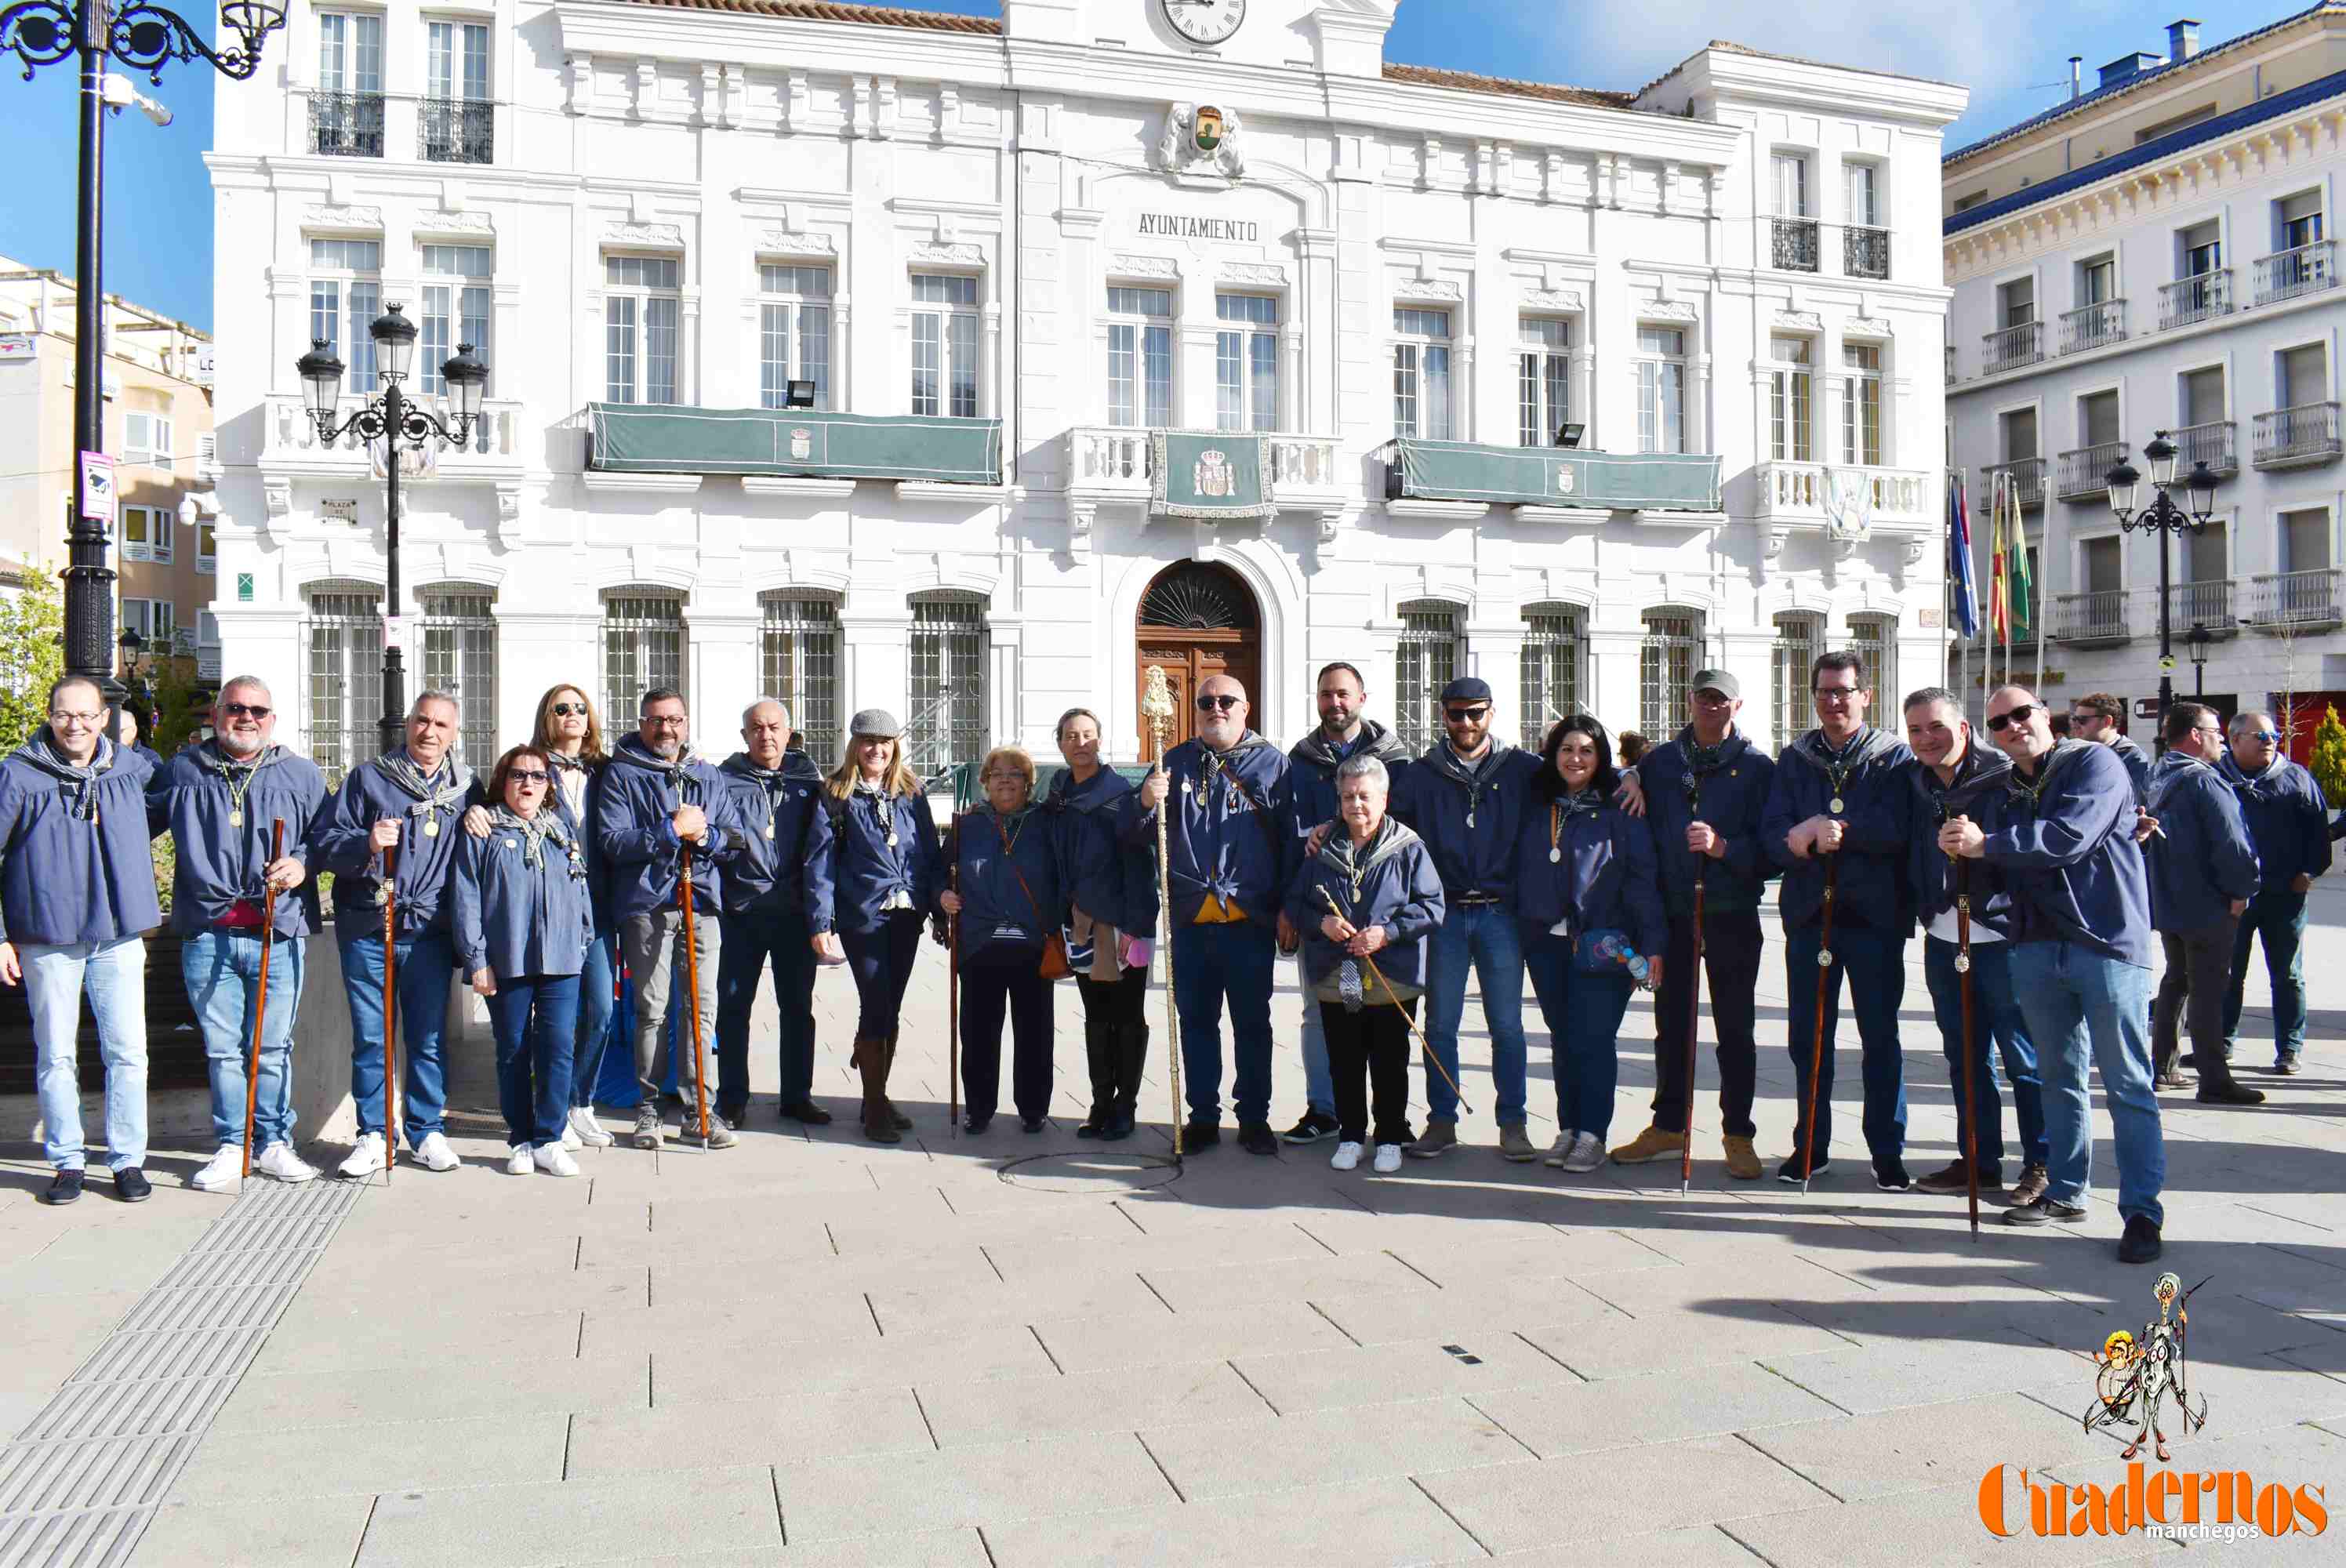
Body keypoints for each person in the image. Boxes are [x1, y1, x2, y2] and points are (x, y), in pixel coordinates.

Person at [1941, 685, 2166, 1264]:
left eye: (2022, 714)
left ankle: (2142, 1213)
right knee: (2057, 1080)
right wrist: (1955, 850)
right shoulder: (2006, 788)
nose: (2013, 726)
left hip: (2106, 943)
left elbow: (2069, 837)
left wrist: (1986, 843)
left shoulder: (2096, 762)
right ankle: (2066, 1192)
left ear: (2047, 716)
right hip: (2037, 947)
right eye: (1999, 723)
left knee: (2128, 1085)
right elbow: (1980, 856)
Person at [148, 679, 327, 1192]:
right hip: (208, 937)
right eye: (235, 708)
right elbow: (131, 823)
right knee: (224, 1050)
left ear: (271, 719)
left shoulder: (299, 773)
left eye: (258, 710)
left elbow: (328, 836)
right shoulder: (184, 770)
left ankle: (273, 1144)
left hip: (279, 934)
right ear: (217, 713)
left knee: (272, 1049)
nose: (246, 717)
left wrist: (302, 862)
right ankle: (233, 1145)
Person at [1607, 670, 1774, 1179]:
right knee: (1671, 1026)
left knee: (1735, 1029)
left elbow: (1773, 850)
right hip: (1675, 914)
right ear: (1690, 700)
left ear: (1736, 706)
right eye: (1704, 697)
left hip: (1732, 912)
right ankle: (1670, 1124)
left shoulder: (1758, 768)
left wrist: (1726, 849)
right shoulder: (1660, 763)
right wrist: (1628, 776)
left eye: (1721, 700)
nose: (1711, 707)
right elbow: (1618, 789)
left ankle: (1738, 1132)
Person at [0, 677, 161, 1205]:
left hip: (116, 936)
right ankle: (67, 1161)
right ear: (50, 716)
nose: (77, 725)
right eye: (66, 715)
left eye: (88, 715)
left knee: (129, 1053)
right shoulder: (19, 775)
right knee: (56, 1055)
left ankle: (127, 1161)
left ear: (103, 718)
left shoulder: (130, 768)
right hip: (48, 937)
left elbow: (176, 797)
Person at [1761, 650, 1915, 1189]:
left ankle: (1887, 1152)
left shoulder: (1894, 758)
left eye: (1843, 691)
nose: (1833, 702)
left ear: (1865, 696)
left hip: (1873, 918)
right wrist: (1800, 837)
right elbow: (1773, 830)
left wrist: (1841, 831)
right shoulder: (1795, 758)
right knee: (1809, 1039)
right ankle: (1811, 1146)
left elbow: (1901, 828)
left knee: (1880, 1038)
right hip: (1810, 917)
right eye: (1824, 692)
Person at [311, 691, 472, 1177]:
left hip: (428, 932)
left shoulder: (466, 787)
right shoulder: (369, 777)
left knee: (427, 1037)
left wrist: (483, 815)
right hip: (368, 927)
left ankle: (426, 1131)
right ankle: (375, 1134)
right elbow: (325, 843)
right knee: (372, 1037)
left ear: (455, 734)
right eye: (423, 721)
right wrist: (366, 842)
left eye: (442, 725)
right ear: (408, 724)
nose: (431, 732)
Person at [1132, 673, 1293, 1156]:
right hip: (1190, 922)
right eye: (1206, 702)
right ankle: (1202, 1115)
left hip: (1248, 921)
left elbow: (1294, 842)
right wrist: (1145, 801)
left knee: (1251, 1023)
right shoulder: (1173, 762)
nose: (1216, 708)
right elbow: (1135, 834)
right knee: (1196, 1023)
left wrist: (1288, 907)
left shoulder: (1273, 765)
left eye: (1227, 701)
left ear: (1246, 708)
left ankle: (1254, 1117)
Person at [1902, 686, 2049, 1207]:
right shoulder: (1913, 779)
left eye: (1937, 727)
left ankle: (2041, 1163)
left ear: (1964, 729)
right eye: (1916, 729)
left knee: (2023, 1058)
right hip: (1944, 937)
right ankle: (1980, 1159)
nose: (1927, 739)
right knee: (1965, 1057)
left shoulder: (2003, 776)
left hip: (2001, 936)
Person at [1389, 677, 1542, 1162]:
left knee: (1507, 1026)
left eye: (1476, 713)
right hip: (1446, 913)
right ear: (1443, 716)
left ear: (1492, 713)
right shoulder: (1420, 774)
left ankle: (1513, 1122)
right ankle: (1441, 1119)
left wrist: (1632, 777)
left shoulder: (1522, 769)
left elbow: (1580, 774)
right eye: (1457, 714)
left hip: (1501, 914)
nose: (1467, 723)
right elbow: (1387, 826)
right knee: (1440, 1025)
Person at [1515, 717, 1664, 1174]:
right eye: (1566, 750)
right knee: (1563, 1039)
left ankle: (1593, 1134)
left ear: (1600, 757)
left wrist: (1653, 944)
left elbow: (1642, 878)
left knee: (1594, 1040)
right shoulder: (1539, 801)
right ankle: (1568, 1127)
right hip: (1547, 942)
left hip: (1604, 943)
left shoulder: (1621, 804)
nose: (1575, 759)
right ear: (1552, 753)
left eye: (1586, 751)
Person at [596, 687, 740, 1150]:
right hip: (648, 906)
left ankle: (701, 1111)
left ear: (686, 723)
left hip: (700, 904)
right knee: (651, 1011)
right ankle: (649, 1111)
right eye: (657, 720)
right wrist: (669, 831)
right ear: (642, 724)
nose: (666, 729)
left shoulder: (706, 774)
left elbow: (732, 838)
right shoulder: (622, 773)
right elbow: (613, 842)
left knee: (702, 1011)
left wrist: (705, 836)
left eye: (674, 720)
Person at [1287, 753, 1444, 1173]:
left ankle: (1389, 1135)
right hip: (1340, 973)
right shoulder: (1322, 848)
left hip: (1391, 972)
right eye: (1348, 796)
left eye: (1365, 796)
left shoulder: (1408, 847)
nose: (1356, 805)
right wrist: (1321, 921)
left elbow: (1432, 906)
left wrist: (1387, 933)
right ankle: (1352, 1135)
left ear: (1384, 798)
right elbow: (1296, 903)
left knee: (1390, 1058)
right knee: (1345, 1056)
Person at [1280, 662, 1413, 1145]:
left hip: (1380, 913)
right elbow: (1284, 830)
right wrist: (1289, 908)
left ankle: (1391, 1122)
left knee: (1386, 1015)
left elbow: (1407, 826)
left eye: (1343, 694)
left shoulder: (1395, 759)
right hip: (1323, 913)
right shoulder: (1299, 759)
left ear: (1361, 697)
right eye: (1325, 694)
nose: (1334, 703)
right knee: (1320, 1011)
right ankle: (1326, 1109)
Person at [452, 745, 596, 1176]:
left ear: (548, 785)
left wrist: (584, 938)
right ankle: (520, 1139)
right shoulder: (484, 830)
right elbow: (467, 898)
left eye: (537, 776)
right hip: (508, 959)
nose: (528, 783)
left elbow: (580, 886)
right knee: (514, 1049)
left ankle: (550, 1138)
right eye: (518, 775)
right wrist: (477, 959)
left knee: (557, 1049)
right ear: (503, 781)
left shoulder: (559, 829)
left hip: (562, 960)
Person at [806, 710, 941, 1144]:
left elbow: (929, 852)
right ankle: (875, 1107)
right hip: (863, 914)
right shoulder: (834, 794)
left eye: (884, 742)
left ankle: (874, 1094)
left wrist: (937, 907)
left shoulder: (911, 791)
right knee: (876, 1000)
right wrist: (820, 919)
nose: (876, 750)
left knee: (890, 1005)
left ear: (895, 746)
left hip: (907, 915)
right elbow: (820, 861)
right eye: (868, 742)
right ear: (854, 746)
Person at [939, 746, 1069, 1133]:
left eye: (1015, 774)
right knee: (979, 1034)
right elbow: (938, 873)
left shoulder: (1045, 823)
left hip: (1033, 945)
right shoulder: (967, 826)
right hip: (980, 945)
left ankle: (1033, 1109)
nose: (1006, 780)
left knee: (1034, 1033)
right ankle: (978, 1109)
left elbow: (1063, 874)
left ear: (1029, 784)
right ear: (985, 783)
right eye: (997, 774)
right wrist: (941, 897)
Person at [2144, 702, 2263, 1105]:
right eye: (2215, 731)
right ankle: (2214, 1079)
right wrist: (2241, 891)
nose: (2221, 740)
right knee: (2210, 990)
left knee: (2177, 980)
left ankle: (2162, 1066)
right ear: (2195, 734)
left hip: (2171, 902)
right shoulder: (2204, 782)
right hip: (2207, 904)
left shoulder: (2158, 776)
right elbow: (2232, 844)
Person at [715, 699, 828, 1125]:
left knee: (797, 1007)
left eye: (774, 727)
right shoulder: (724, 780)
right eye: (757, 728)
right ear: (745, 736)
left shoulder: (808, 779)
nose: (767, 735)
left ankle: (797, 1096)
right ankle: (732, 1098)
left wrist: (822, 914)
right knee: (733, 1006)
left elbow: (822, 847)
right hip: (742, 912)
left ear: (789, 731)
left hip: (794, 913)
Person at [1048, 709, 1156, 1141]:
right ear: (1060, 743)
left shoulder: (1122, 799)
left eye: (1089, 735)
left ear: (1100, 741)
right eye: (1072, 736)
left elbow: (1140, 867)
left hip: (1124, 924)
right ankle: (1099, 1102)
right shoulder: (1056, 798)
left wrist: (1135, 926)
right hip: (1079, 923)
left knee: (1127, 1015)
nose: (1081, 743)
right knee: (1096, 1015)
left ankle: (1125, 1107)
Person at [2219, 711, 2330, 1076]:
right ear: (2234, 740)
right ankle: (2221, 1042)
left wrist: (2309, 872)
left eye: (2274, 734)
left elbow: (2318, 832)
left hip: (2284, 895)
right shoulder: (2216, 778)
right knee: (2227, 973)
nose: (2271, 741)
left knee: (2287, 974)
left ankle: (2289, 1049)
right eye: (2261, 736)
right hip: (2230, 895)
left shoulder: (2296, 777)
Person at [2070, 694, 2149, 803]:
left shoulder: (2132, 757)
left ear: (2107, 721)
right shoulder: (2073, 752)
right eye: (2074, 719)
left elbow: (2132, 803)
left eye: (2083, 720)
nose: (2076, 725)